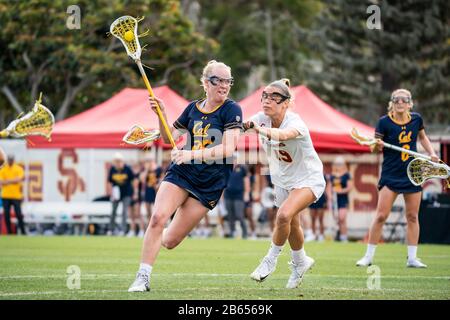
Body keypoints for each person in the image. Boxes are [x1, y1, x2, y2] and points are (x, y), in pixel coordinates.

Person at [128, 60, 242, 292]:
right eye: (217, 80)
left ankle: (155, 240)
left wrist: (190, 154)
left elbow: (228, 150)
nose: (223, 85)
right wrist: (161, 114)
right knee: (158, 218)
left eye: (227, 80)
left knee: (169, 241)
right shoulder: (192, 109)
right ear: (205, 83)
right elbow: (168, 137)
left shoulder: (232, 109)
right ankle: (142, 277)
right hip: (182, 174)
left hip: (210, 183)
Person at [245, 79, 325, 289]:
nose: (267, 100)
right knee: (292, 223)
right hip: (282, 180)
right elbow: (236, 128)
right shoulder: (260, 118)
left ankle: (270, 260)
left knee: (282, 215)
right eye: (265, 95)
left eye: (274, 97)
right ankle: (300, 262)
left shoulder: (295, 122)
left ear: (285, 103)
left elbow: (284, 135)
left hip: (308, 178)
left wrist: (258, 129)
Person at [356, 89, 439, 268]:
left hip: (412, 173)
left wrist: (431, 153)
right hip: (391, 174)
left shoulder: (416, 119)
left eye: (404, 100)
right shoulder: (383, 122)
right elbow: (374, 149)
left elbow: (423, 138)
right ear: (392, 103)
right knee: (381, 216)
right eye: (396, 100)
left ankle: (412, 258)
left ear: (410, 103)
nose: (400, 102)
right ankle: (368, 257)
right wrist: (377, 145)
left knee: (412, 216)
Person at [107, 152, 137, 236]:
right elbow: (109, 181)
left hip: (126, 192)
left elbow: (134, 180)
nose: (118, 163)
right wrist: (111, 193)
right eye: (116, 161)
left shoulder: (127, 169)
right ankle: (111, 229)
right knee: (113, 210)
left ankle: (123, 230)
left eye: (119, 161)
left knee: (124, 211)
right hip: (116, 193)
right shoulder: (112, 169)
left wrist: (134, 192)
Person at [223, 157, 250, 238]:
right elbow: (223, 182)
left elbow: (246, 181)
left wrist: (246, 193)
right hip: (228, 194)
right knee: (230, 215)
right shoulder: (227, 168)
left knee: (239, 215)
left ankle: (245, 233)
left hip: (239, 195)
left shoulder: (242, 169)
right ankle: (232, 232)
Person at [0, 155, 26, 235]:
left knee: (19, 214)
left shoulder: (18, 169)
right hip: (6, 195)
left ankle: (23, 231)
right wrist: (13, 180)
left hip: (16, 196)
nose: (10, 161)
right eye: (9, 160)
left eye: (11, 160)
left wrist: (7, 181)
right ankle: (9, 232)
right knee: (7, 215)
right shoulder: (3, 169)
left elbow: (20, 179)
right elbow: (1, 181)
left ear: (13, 160)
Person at [329, 156, 352, 242]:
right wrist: (330, 196)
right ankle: (339, 235)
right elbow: (329, 188)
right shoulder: (332, 175)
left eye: (340, 164)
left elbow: (349, 187)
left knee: (342, 218)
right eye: (337, 164)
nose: (338, 166)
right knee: (337, 219)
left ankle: (344, 237)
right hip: (335, 200)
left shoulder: (346, 175)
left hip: (343, 199)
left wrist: (340, 191)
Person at [140, 156, 162, 225]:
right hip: (148, 191)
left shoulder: (158, 169)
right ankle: (150, 225)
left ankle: (156, 224)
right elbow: (142, 180)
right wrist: (146, 170)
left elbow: (162, 179)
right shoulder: (145, 170)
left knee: (156, 210)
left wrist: (158, 184)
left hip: (155, 191)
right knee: (148, 210)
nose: (149, 163)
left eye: (150, 161)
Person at [128, 162, 146, 237]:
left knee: (138, 214)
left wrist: (135, 194)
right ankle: (132, 230)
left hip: (137, 196)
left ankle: (141, 230)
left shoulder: (139, 175)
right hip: (130, 195)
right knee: (131, 215)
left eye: (135, 167)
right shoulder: (131, 175)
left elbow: (137, 184)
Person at [309, 174, 328, 241]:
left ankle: (321, 235)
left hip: (321, 197)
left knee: (321, 218)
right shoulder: (309, 174)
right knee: (312, 218)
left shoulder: (322, 175)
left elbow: (326, 187)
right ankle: (313, 234)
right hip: (312, 195)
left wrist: (327, 199)